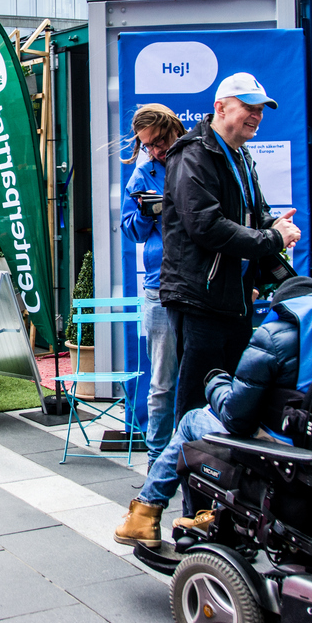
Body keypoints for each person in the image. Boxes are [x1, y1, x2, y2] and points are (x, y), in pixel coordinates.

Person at [114, 277, 312, 547]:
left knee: (192, 420)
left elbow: (235, 418)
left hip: (281, 451)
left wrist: (215, 383)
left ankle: (144, 514)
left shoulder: (273, 337)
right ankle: (213, 515)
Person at [161, 72, 302, 422]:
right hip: (200, 300)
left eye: (261, 109)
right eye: (248, 107)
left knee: (233, 401)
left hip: (234, 300)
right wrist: (272, 238)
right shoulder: (192, 154)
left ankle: (221, 473)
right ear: (220, 108)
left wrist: (274, 225)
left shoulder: (241, 156)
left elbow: (255, 213)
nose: (256, 115)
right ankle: (173, 475)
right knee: (197, 401)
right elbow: (206, 226)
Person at [122, 104, 186, 468]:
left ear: (174, 127)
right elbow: (131, 231)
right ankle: (157, 462)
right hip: (159, 286)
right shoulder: (142, 173)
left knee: (203, 376)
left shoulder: (198, 158)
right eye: (149, 145)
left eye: (160, 142)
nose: (157, 150)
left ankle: (199, 454)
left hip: (197, 283)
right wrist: (146, 212)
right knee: (162, 383)